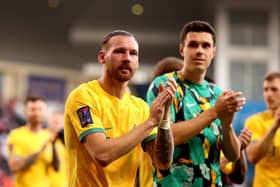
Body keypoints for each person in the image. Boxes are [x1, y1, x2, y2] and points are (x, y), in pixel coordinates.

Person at [64, 30, 177, 187]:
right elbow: (102, 155)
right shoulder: (83, 96)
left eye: (133, 53)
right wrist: (151, 122)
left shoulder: (141, 108)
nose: (127, 58)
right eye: (119, 51)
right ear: (102, 57)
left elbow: (162, 162)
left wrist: (164, 120)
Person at [146, 20, 246, 186]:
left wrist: (227, 125)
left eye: (205, 46)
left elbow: (232, 155)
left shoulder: (218, 94)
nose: (199, 51)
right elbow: (168, 137)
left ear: (213, 52)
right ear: (181, 49)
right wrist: (214, 112)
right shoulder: (164, 85)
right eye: (193, 45)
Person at [6, 96, 59, 187]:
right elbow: (14, 166)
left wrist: (54, 146)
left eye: (40, 109)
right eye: (33, 109)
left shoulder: (49, 136)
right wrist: (41, 150)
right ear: (25, 112)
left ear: (45, 112)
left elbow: (56, 168)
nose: (36, 113)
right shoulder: (16, 135)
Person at [245, 71, 280, 187]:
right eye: (266, 90)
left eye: (274, 89)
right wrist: (274, 127)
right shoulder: (255, 121)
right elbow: (253, 157)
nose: (268, 94)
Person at [48, 111, 67, 187]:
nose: (56, 125)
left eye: (58, 123)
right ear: (49, 123)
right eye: (54, 122)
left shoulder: (66, 142)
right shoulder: (43, 139)